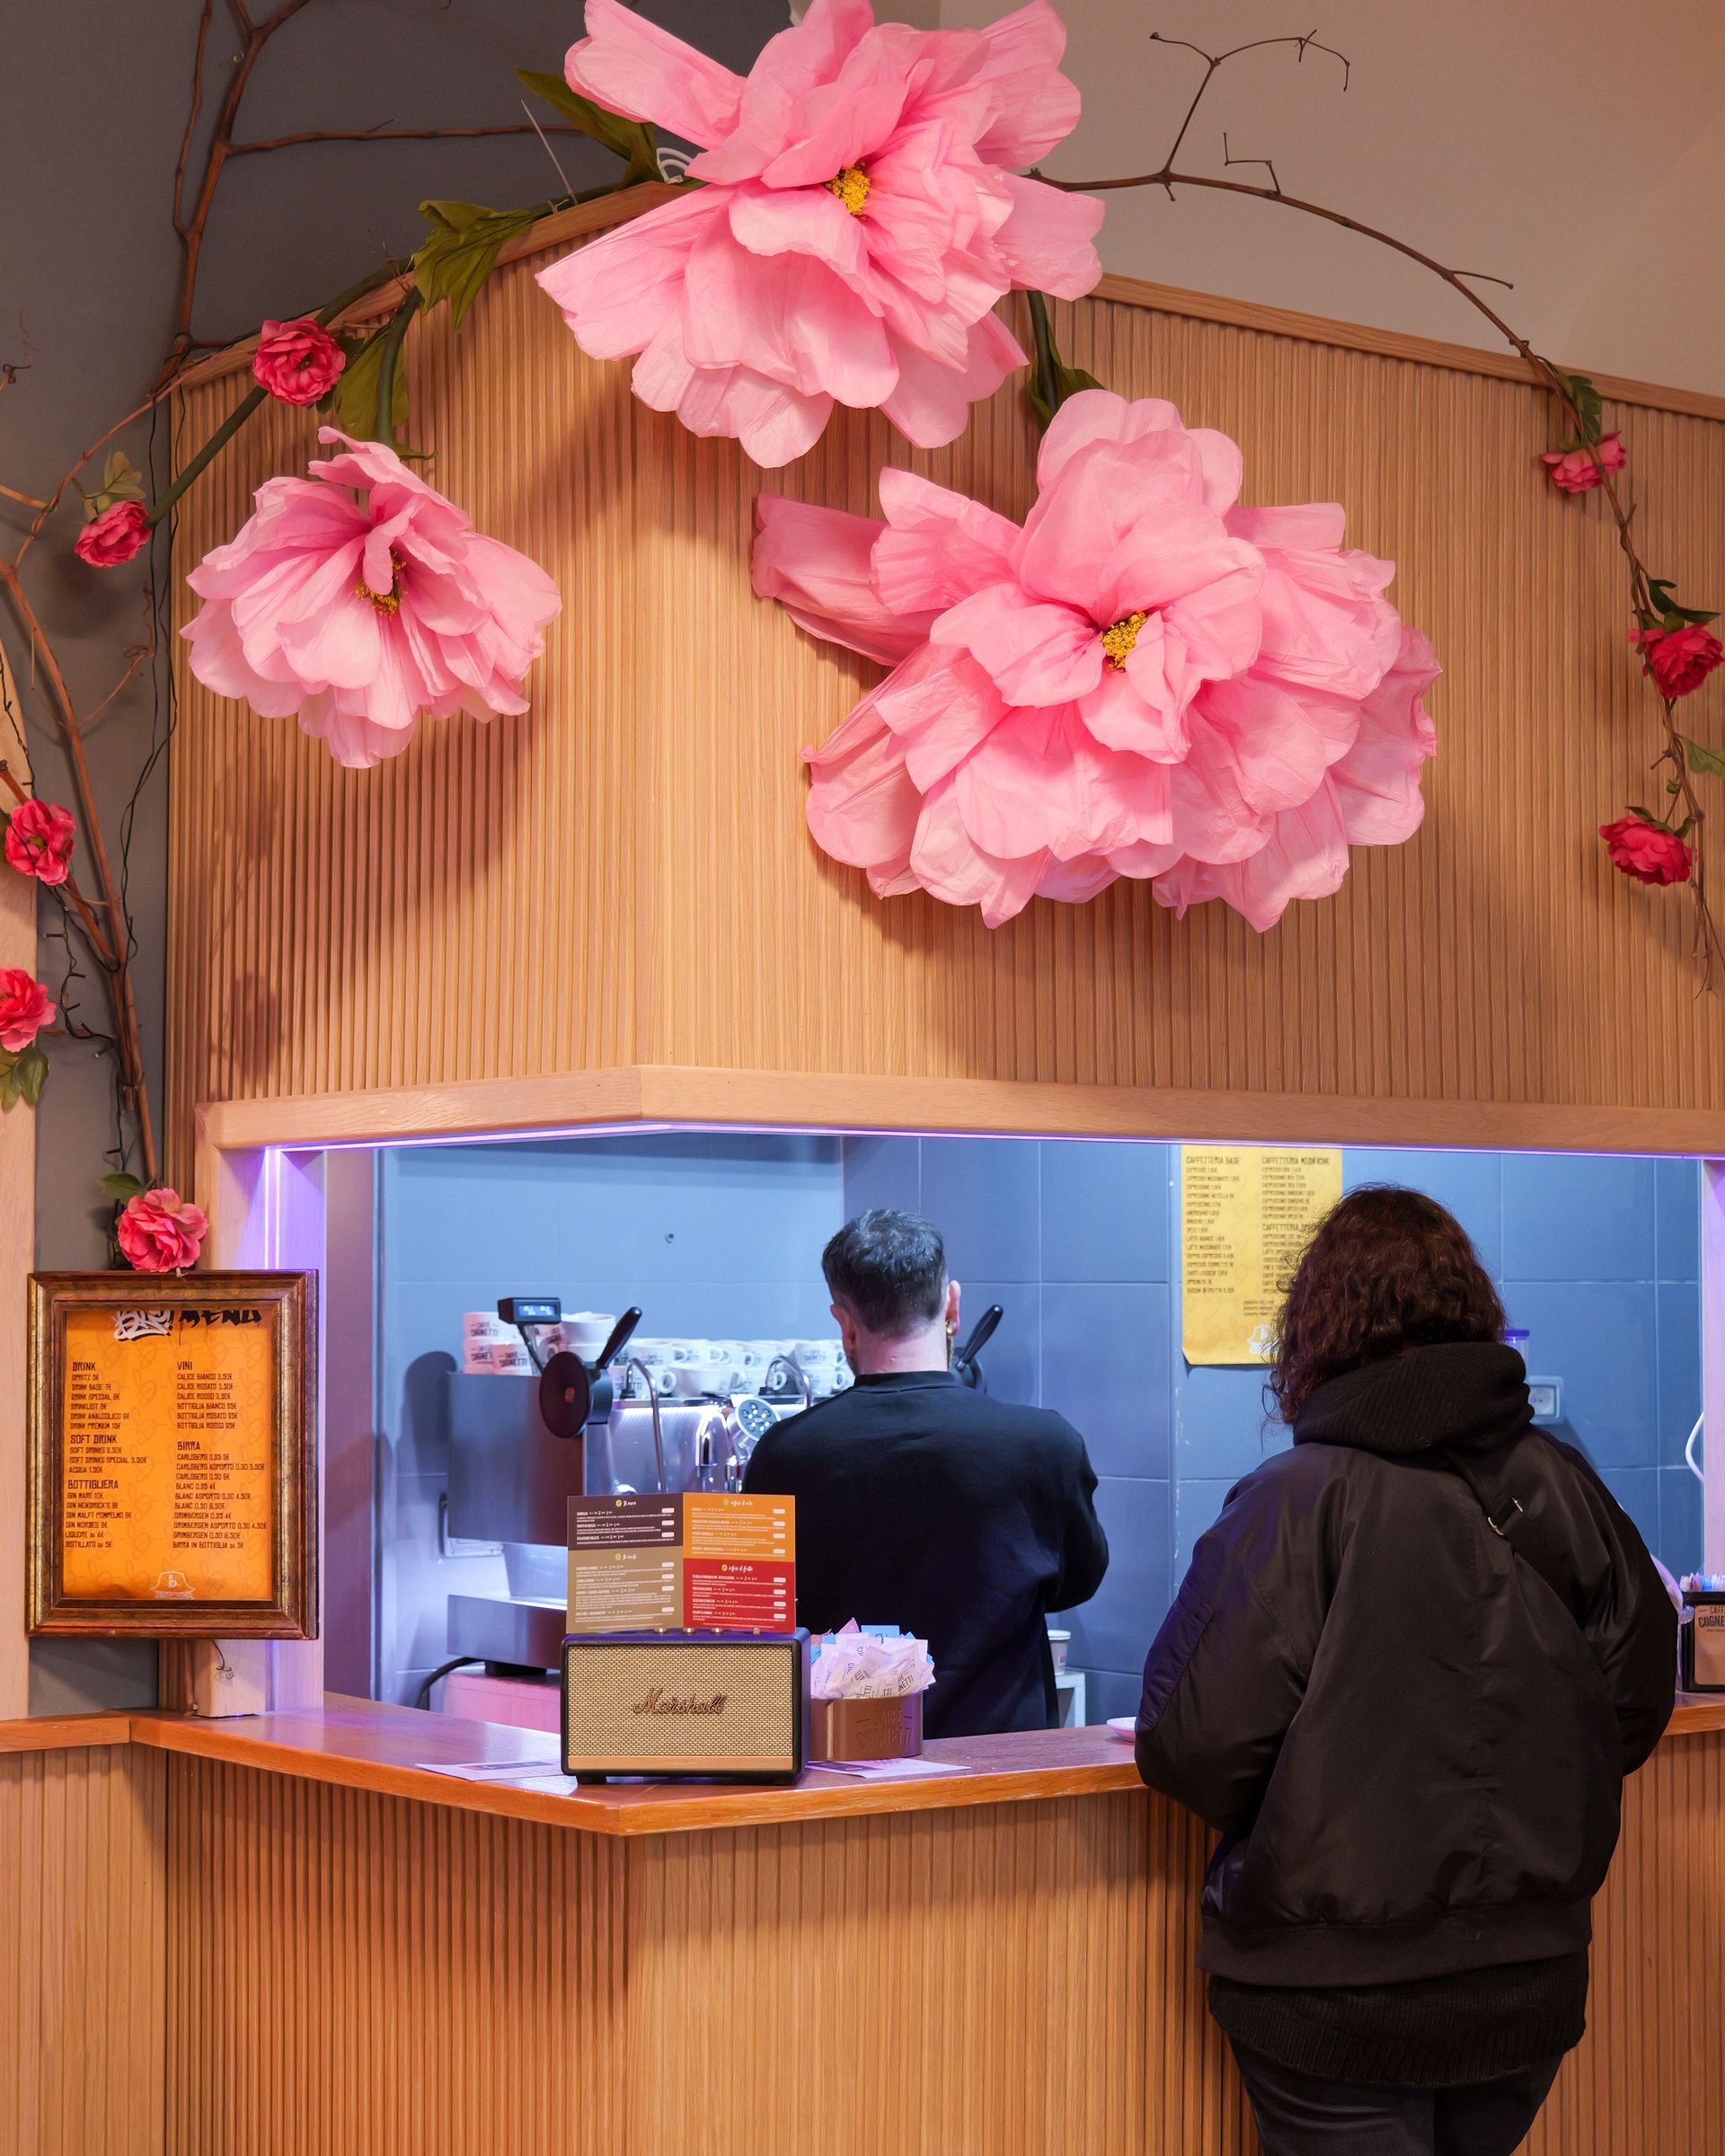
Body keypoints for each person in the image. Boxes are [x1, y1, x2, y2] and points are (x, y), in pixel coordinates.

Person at [1135, 1187, 1676, 2156]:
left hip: (1329, 1993)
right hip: (1526, 1983)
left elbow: (1197, 1744)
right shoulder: (1563, 1484)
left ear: (1315, 1331)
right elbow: (1634, 1701)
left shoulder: (1291, 1503)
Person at [743, 1207, 1109, 1738]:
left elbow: (762, 1617)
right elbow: (1077, 1580)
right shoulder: (1043, 1444)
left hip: (843, 1765)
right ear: (953, 1307)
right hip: (1004, 1769)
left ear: (844, 1324)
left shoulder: (784, 1455)